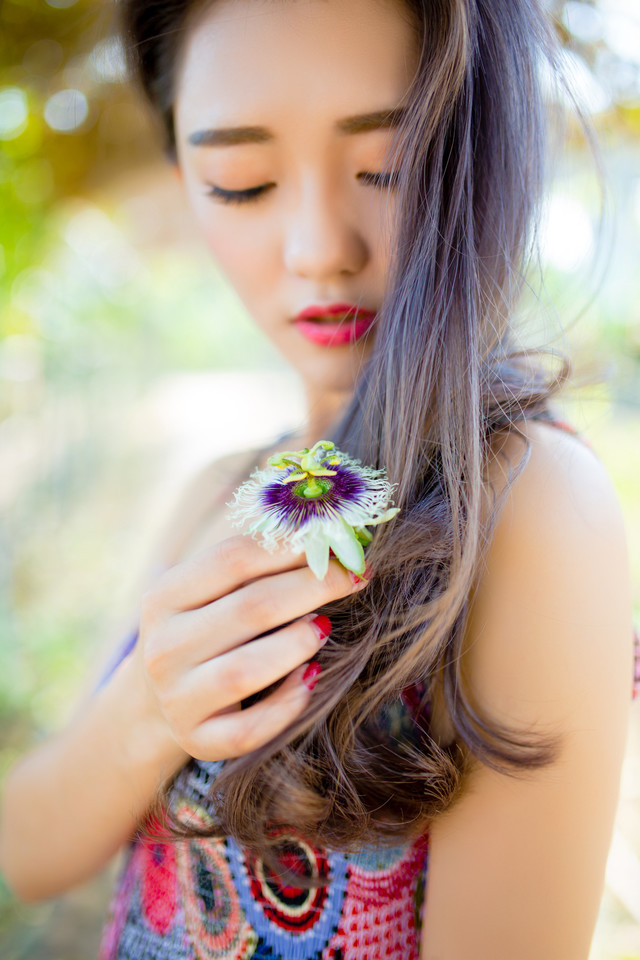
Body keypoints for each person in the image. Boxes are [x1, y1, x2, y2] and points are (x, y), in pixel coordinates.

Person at [1, 0, 638, 957]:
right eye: (241, 183)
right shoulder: (218, 489)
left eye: (386, 167)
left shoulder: (529, 506)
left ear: (486, 158)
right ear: (183, 173)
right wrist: (146, 708)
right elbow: (26, 852)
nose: (317, 250)